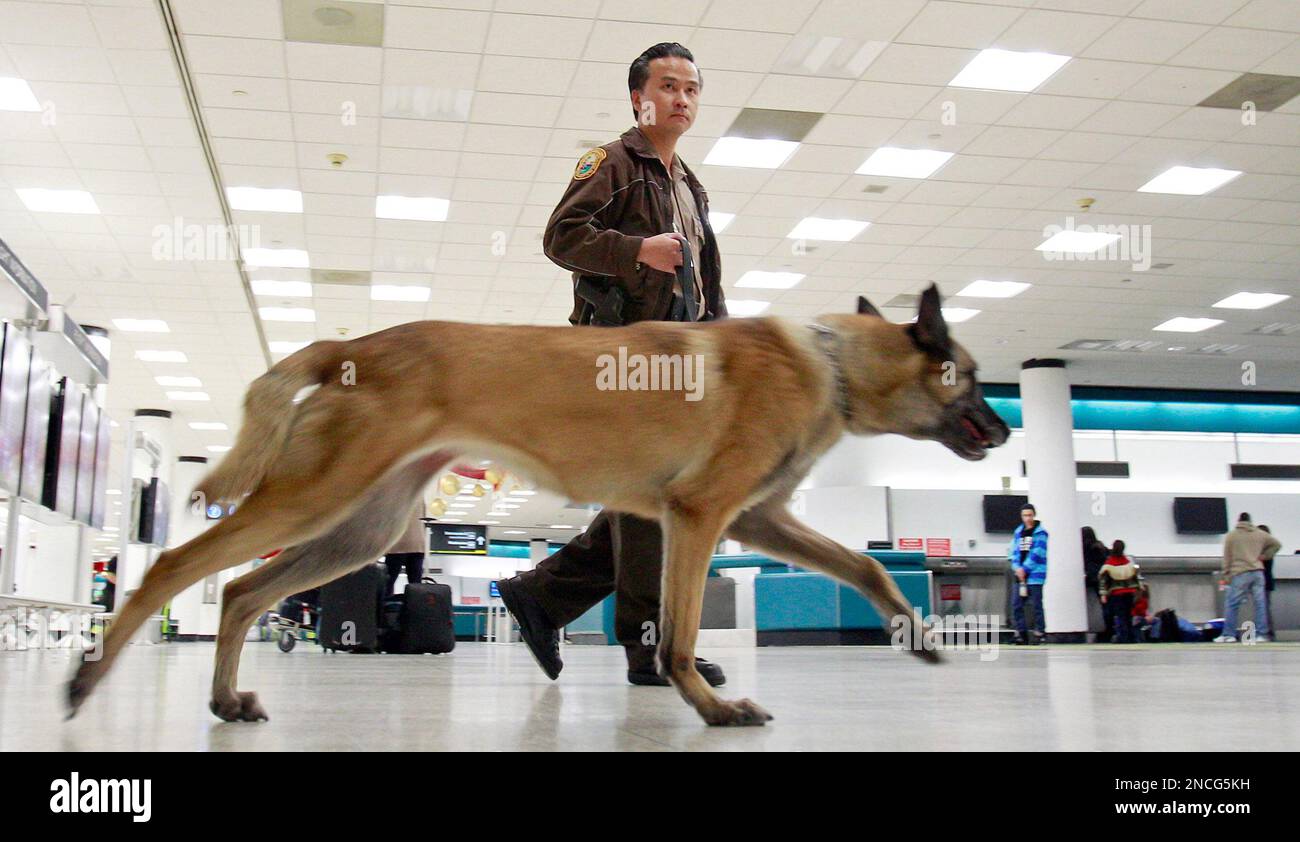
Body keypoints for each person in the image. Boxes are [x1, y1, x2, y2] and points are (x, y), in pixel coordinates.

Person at [495, 43, 729, 687]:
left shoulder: (689, 184)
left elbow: (707, 283)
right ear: (639, 98)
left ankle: (543, 597)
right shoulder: (614, 163)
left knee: (650, 500)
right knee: (654, 502)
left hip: (678, 364)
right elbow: (560, 236)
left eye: (692, 89)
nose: (682, 99)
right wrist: (636, 252)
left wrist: (723, 351)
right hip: (624, 358)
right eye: (669, 86)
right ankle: (649, 645)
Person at [1216, 513, 1281, 643]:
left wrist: (1226, 574)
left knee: (1232, 604)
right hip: (1258, 572)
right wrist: (1265, 556)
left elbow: (1227, 557)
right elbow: (1277, 544)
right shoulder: (1259, 533)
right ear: (1250, 521)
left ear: (1238, 521)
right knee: (1260, 605)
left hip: (1240, 572)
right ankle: (1262, 635)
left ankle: (1229, 634)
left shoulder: (1232, 535)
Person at [1007, 504, 1048, 645]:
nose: (1028, 518)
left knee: (1036, 604)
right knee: (1016, 605)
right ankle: (1021, 633)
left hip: (1035, 575)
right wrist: (1017, 568)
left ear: (1034, 515)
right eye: (1025, 515)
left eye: (1030, 515)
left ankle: (1040, 632)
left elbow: (1038, 553)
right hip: (1019, 576)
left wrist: (1024, 569)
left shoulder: (1041, 533)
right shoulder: (1018, 532)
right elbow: (1014, 552)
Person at [1098, 540, 1142, 643]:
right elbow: (1136, 578)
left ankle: (1123, 637)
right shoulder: (1128, 563)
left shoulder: (1109, 564)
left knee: (1120, 616)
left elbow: (1103, 580)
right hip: (1129, 593)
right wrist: (1139, 589)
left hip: (1116, 594)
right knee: (1128, 616)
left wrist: (1103, 594)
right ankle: (1131, 637)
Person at [384, 510, 427, 595]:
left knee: (388, 583)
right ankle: (416, 606)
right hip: (417, 543)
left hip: (396, 543)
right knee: (416, 585)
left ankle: (385, 606)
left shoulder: (392, 497)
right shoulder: (419, 497)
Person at [1082, 526, 1110, 642]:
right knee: (1107, 606)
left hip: (1093, 578)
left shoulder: (1085, 548)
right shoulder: (1101, 547)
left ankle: (1106, 632)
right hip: (1105, 578)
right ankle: (1109, 630)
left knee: (1105, 606)